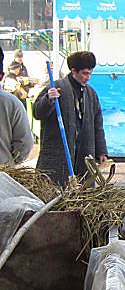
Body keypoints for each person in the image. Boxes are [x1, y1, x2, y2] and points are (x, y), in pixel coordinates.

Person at [33, 51, 108, 186]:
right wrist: (48, 99)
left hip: (83, 157)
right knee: (55, 193)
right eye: (85, 73)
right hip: (58, 156)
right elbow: (37, 113)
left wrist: (101, 151)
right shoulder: (55, 87)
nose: (88, 77)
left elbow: (98, 125)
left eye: (90, 73)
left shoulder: (91, 94)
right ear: (74, 71)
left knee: (84, 196)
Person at [0, 46, 33, 166]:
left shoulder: (11, 103)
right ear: (2, 76)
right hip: (3, 175)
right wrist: (10, 161)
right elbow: (25, 145)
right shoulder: (11, 103)